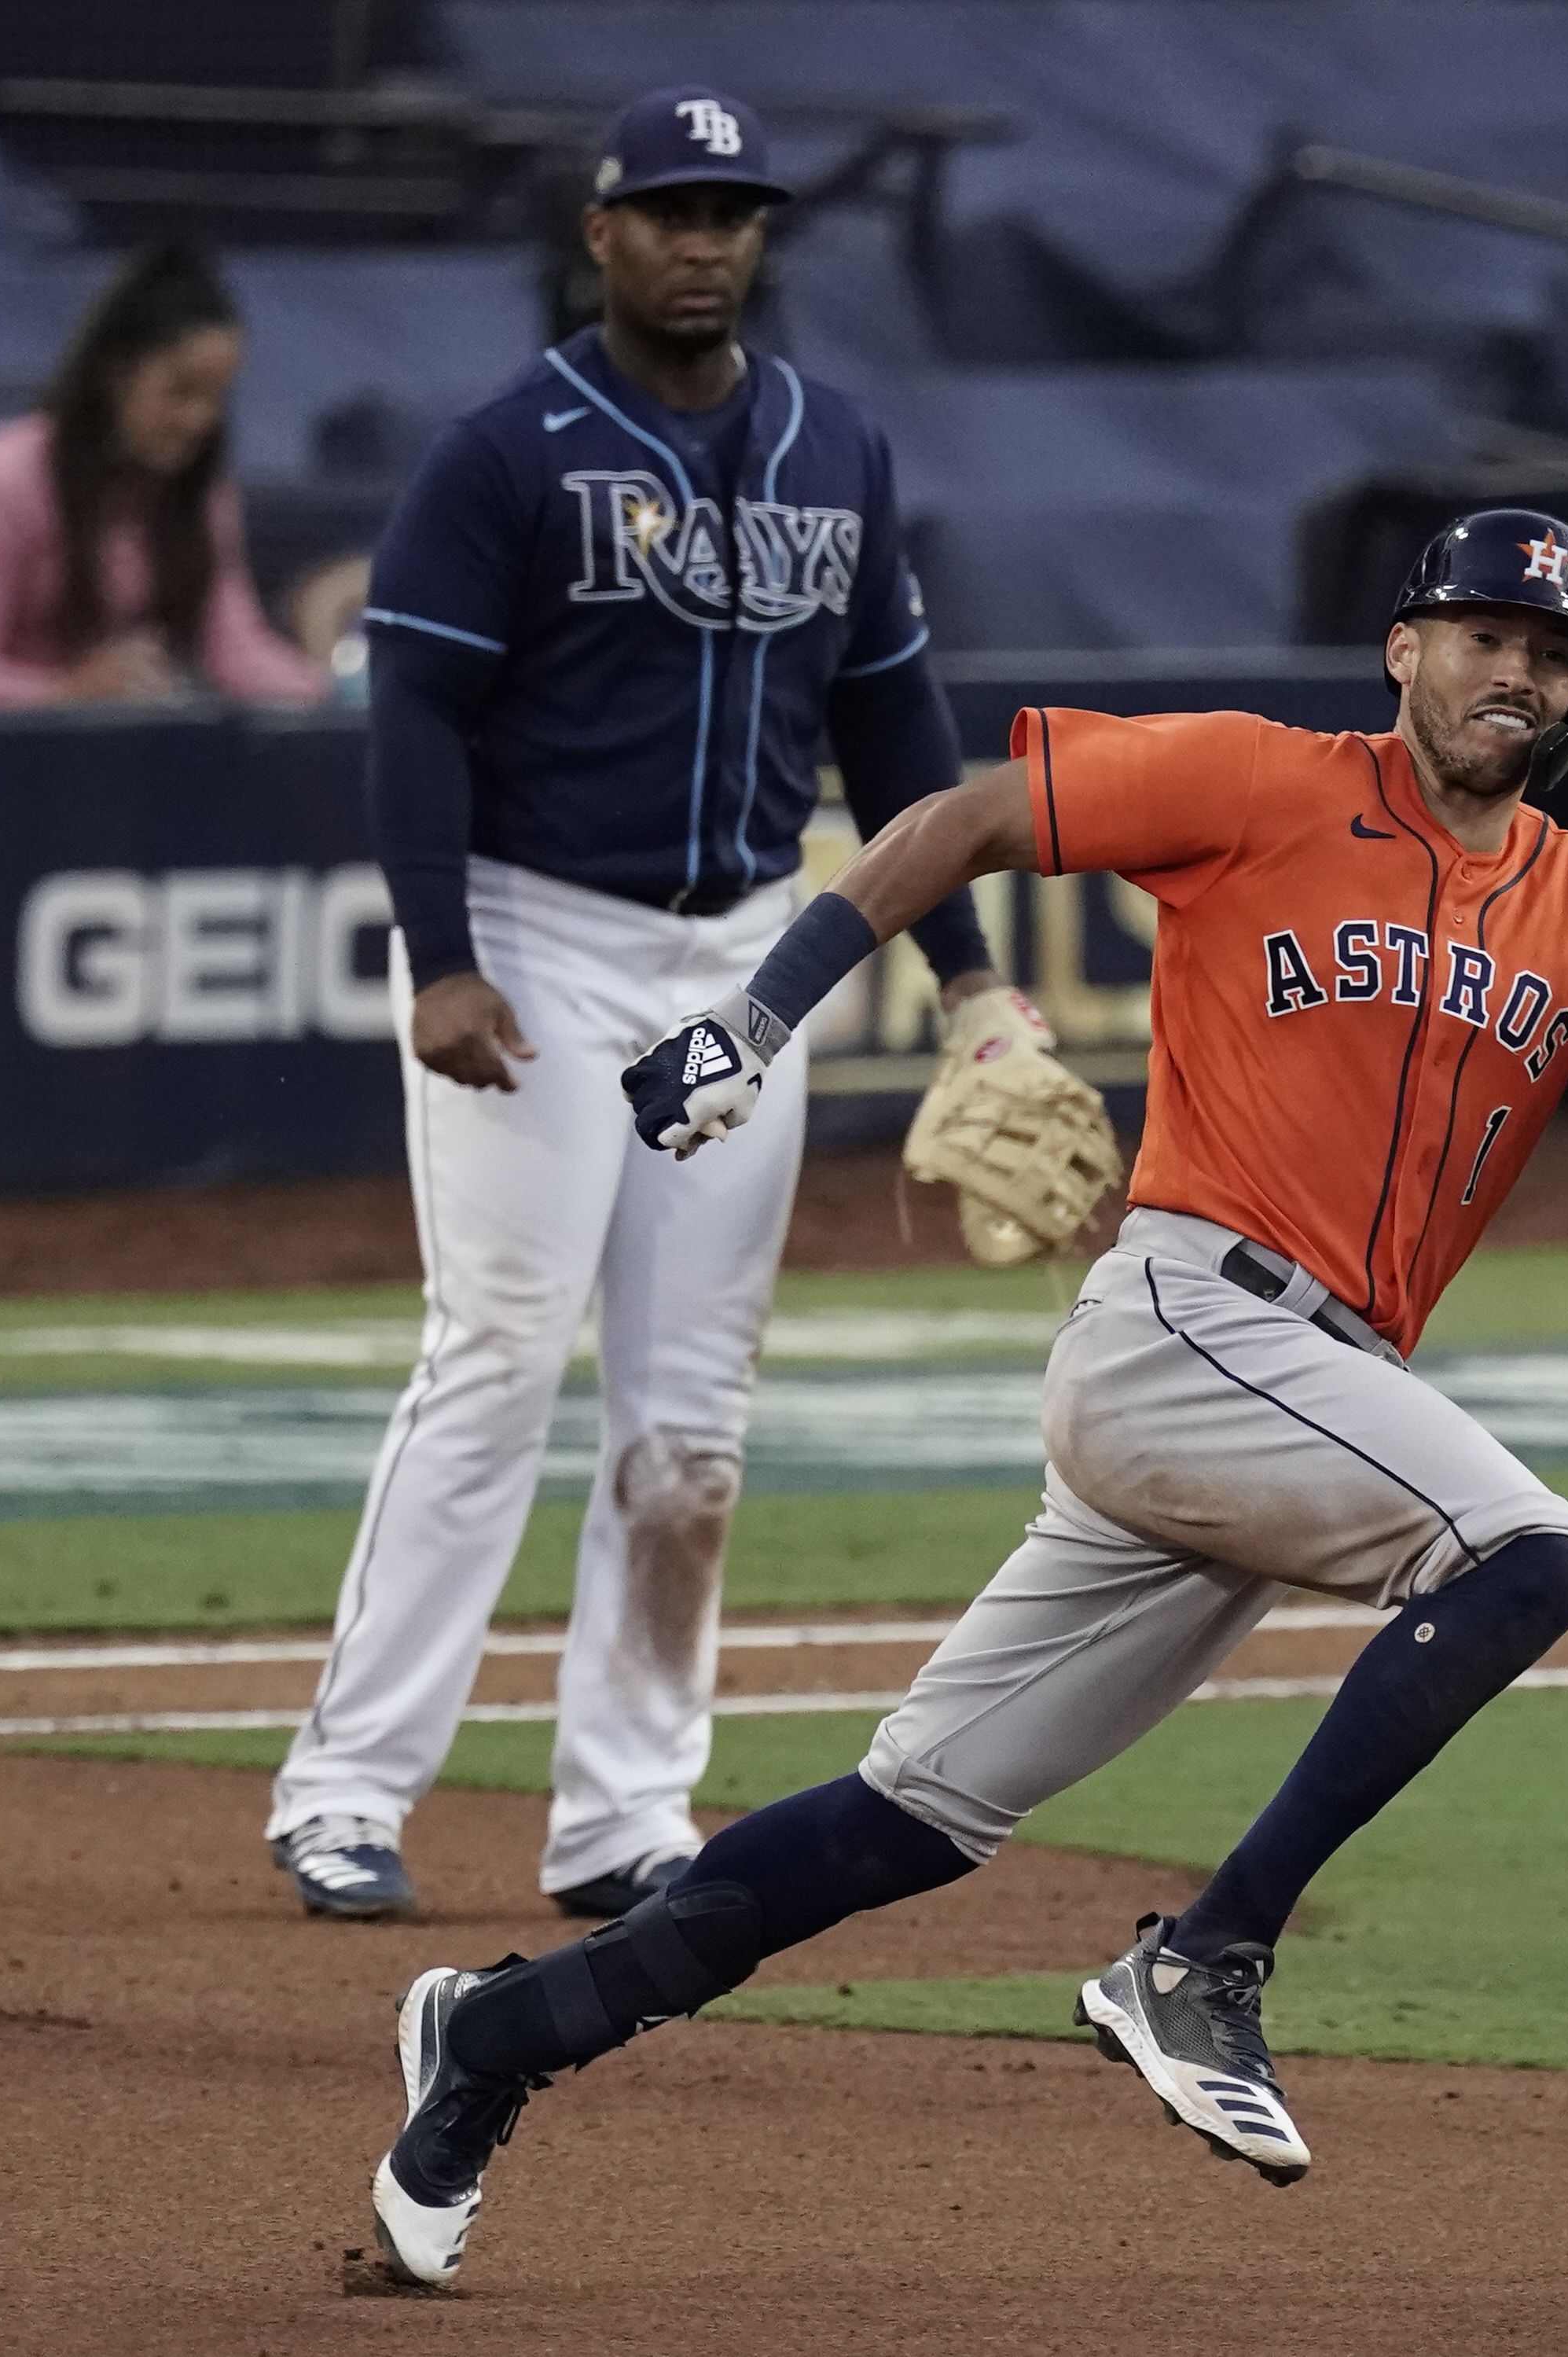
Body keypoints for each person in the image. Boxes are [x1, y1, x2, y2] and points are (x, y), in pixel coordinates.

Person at [356, 507, 1568, 2287]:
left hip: (1288, 1404)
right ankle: (1205, 1959)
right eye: (1483, 634)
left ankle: (500, 2038)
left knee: (912, 1820)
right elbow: (963, 818)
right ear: (1403, 650)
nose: (1519, 672)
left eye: (1555, 654)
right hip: (1192, 1323)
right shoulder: (1257, 782)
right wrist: (760, 1014)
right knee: (1524, 1552)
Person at [261, 84, 1005, 1931]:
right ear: (599, 234)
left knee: (691, 1424)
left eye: (732, 211)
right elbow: (414, 715)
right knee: (500, 1357)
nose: (703, 240)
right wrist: (438, 954)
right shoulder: (507, 451)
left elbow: (895, 731)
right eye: (668, 210)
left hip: (744, 954)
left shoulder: (839, 447)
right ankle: (344, 1791)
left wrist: (975, 979)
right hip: (532, 933)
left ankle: (621, 1810)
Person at [0, 244, 322, 712]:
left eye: (216, 397)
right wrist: (69, 695)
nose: (199, 418)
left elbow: (236, 648)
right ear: (115, 372)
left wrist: (332, 697)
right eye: (180, 391)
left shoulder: (200, 496)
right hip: (0, 769)